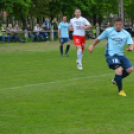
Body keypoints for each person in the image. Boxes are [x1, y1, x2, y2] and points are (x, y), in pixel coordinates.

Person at [88, 17, 134, 97]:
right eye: (116, 25)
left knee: (130, 69)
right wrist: (92, 45)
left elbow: (131, 43)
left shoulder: (126, 33)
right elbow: (99, 38)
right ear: (114, 25)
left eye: (120, 24)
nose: (118, 26)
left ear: (122, 24)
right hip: (111, 55)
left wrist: (131, 48)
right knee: (119, 70)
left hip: (121, 55)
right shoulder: (109, 31)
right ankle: (120, 90)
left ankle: (116, 79)